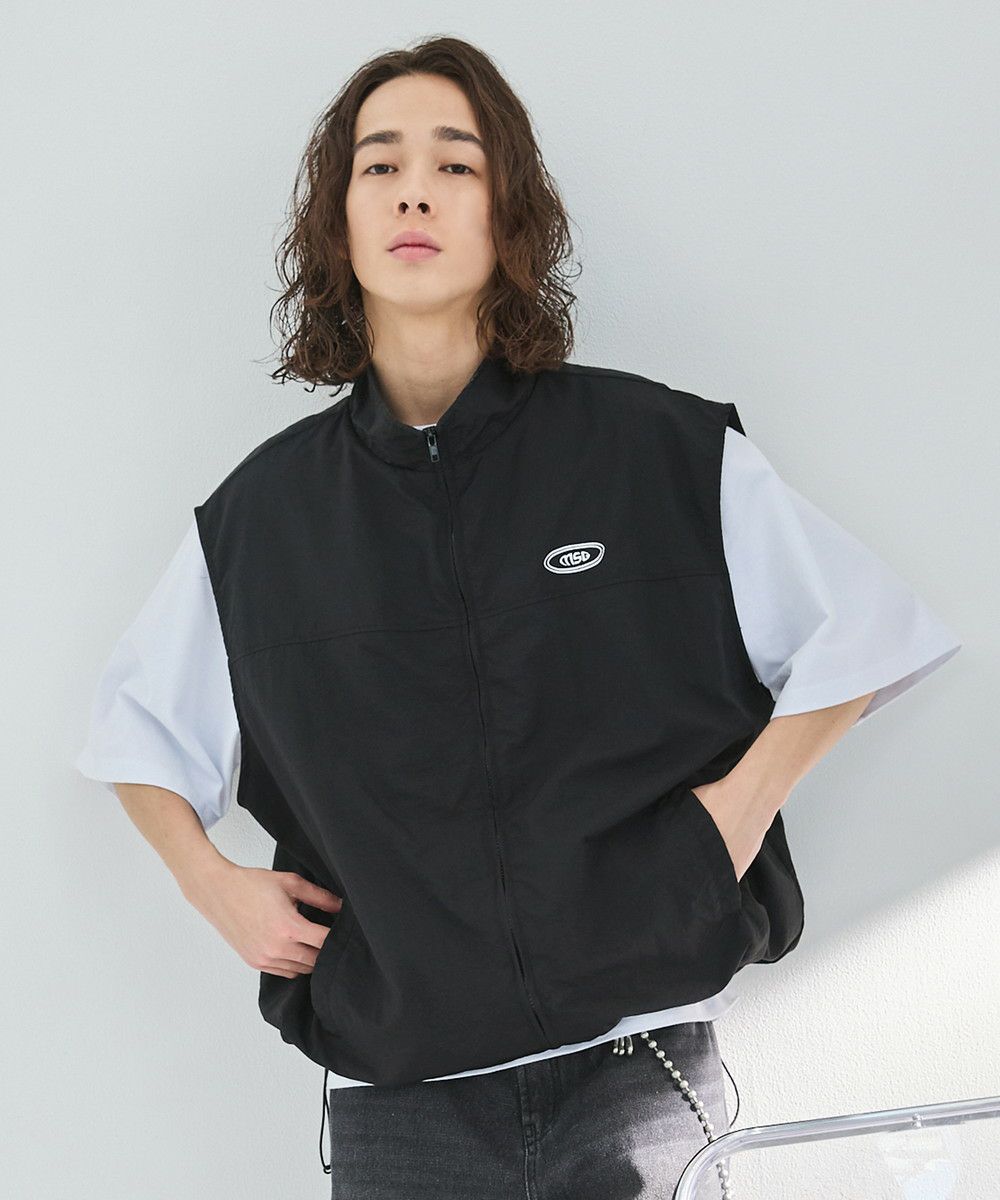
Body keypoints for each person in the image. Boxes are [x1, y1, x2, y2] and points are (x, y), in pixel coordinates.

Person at [74, 35, 962, 1200]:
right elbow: (136, 735)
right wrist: (210, 882)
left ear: (509, 218)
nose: (414, 192)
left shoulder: (655, 452)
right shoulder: (261, 521)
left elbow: (867, 629)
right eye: (379, 166)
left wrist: (730, 821)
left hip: (640, 1076)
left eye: (456, 164)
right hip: (401, 1112)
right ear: (338, 222)